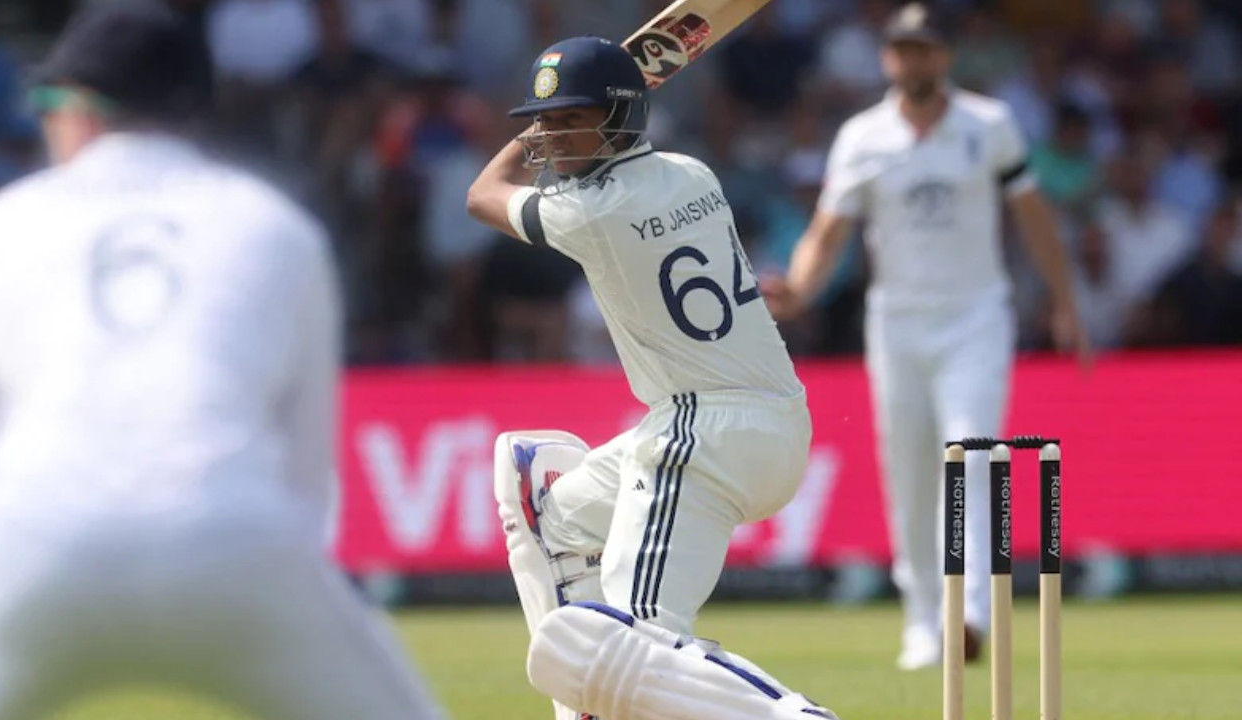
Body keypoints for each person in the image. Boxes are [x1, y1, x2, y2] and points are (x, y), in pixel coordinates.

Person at [0, 3, 447, 718]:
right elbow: (307, 473)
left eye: (51, 102)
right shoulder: (274, 226)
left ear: (84, 110)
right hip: (235, 546)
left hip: (32, 548)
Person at [466, 36, 838, 720]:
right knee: (549, 510)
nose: (549, 137)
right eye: (543, 121)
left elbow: (481, 196)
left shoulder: (594, 213)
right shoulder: (692, 173)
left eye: (566, 121)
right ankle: (585, 709)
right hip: (768, 419)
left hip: (703, 431)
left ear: (618, 117)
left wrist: (520, 141)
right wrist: (573, 115)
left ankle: (789, 717)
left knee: (638, 637)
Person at [764, 2, 1090, 671]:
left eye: (926, 49)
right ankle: (919, 619)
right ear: (889, 58)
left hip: (976, 316)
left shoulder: (988, 124)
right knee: (909, 469)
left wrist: (1064, 302)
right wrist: (797, 288)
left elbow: (1033, 217)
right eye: (902, 50)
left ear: (945, 57)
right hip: (897, 321)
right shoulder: (862, 136)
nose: (914, 61)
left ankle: (967, 608)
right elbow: (829, 232)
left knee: (970, 452)